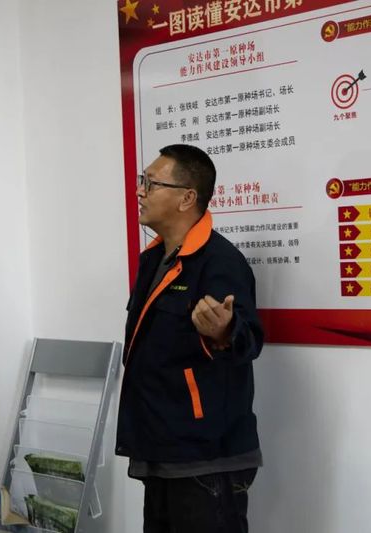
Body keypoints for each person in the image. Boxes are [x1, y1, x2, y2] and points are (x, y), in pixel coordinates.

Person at [116, 144, 264, 533]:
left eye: (151, 183)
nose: (140, 191)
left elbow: (249, 339)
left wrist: (224, 331)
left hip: (206, 460)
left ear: (186, 198)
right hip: (161, 451)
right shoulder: (154, 259)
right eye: (142, 180)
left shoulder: (220, 261)